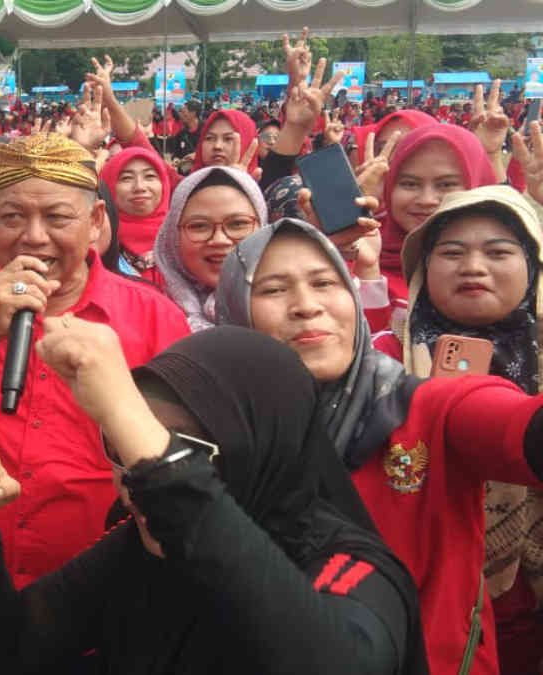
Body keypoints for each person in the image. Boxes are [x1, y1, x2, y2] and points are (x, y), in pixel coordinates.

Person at [0, 324, 427, 675]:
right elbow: (9, 652)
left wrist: (154, 454)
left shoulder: (349, 567)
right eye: (124, 443)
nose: (134, 479)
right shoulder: (138, 549)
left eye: (182, 451)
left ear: (262, 445)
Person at [215, 218, 543, 674]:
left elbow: (515, 426)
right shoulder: (222, 434)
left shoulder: (426, 409)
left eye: (325, 282)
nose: (307, 306)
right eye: (272, 290)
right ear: (234, 311)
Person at [0, 133, 190, 591]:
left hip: (110, 589)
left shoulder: (154, 317)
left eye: (56, 217)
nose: (33, 236)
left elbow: (180, 467)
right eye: (12, 216)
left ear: (94, 221)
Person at [371, 185, 543, 673]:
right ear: (423, 269)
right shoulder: (381, 357)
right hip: (422, 610)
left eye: (498, 251)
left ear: (533, 266)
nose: (473, 266)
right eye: (451, 252)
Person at [379, 125, 498, 325]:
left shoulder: (507, 268)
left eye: (446, 184)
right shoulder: (358, 262)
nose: (426, 200)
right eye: (409, 184)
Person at [153, 166, 267, 330]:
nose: (219, 240)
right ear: (173, 236)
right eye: (199, 226)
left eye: (237, 224)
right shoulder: (151, 317)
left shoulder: (298, 308)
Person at [99, 146, 170, 279]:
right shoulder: (98, 242)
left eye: (149, 176)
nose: (139, 187)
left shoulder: (184, 237)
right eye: (126, 178)